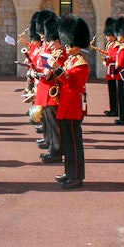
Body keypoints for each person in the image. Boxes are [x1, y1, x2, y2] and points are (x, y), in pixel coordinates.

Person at [53, 15, 91, 189]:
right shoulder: (71, 60)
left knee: (74, 144)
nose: (66, 47)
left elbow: (73, 85)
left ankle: (76, 176)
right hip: (65, 105)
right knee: (67, 143)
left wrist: (58, 71)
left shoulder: (81, 63)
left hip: (73, 106)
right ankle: (69, 172)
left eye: (68, 44)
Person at [36, 14, 65, 164]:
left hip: (53, 91)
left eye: (53, 41)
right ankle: (53, 149)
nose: (51, 44)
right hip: (48, 90)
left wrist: (42, 72)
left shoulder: (60, 54)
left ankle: (56, 151)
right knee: (50, 122)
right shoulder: (55, 52)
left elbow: (49, 74)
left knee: (55, 125)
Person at [101, 17, 119, 117]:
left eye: (108, 34)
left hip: (114, 72)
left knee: (114, 92)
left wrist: (107, 60)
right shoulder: (110, 45)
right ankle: (112, 108)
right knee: (111, 92)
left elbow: (115, 58)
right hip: (110, 71)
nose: (107, 37)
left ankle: (116, 109)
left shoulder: (116, 45)